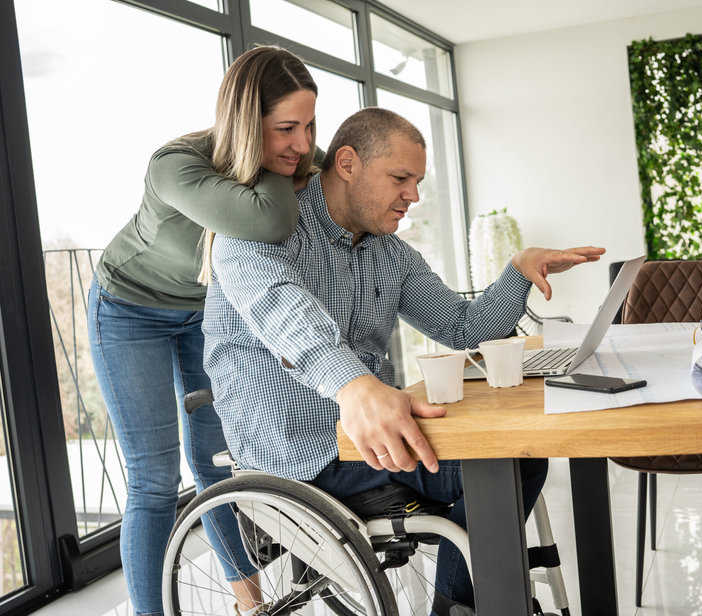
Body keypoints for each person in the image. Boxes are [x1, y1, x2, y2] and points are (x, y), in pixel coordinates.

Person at [201, 106, 605, 615]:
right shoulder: (263, 233)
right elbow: (297, 329)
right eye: (400, 178)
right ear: (347, 163)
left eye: (416, 180)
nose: (413, 195)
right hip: (302, 454)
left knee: (514, 455)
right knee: (501, 464)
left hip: (374, 435)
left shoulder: (388, 252)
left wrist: (518, 271)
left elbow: (462, 327)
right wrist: (357, 387)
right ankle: (473, 599)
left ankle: (461, 602)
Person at [88, 46, 322, 616]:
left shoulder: (285, 167)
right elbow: (271, 221)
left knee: (217, 462)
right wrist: (268, 161)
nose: (302, 143)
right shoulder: (176, 164)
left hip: (202, 314)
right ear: (244, 119)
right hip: (128, 308)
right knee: (152, 477)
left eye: (310, 125)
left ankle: (249, 604)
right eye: (286, 127)